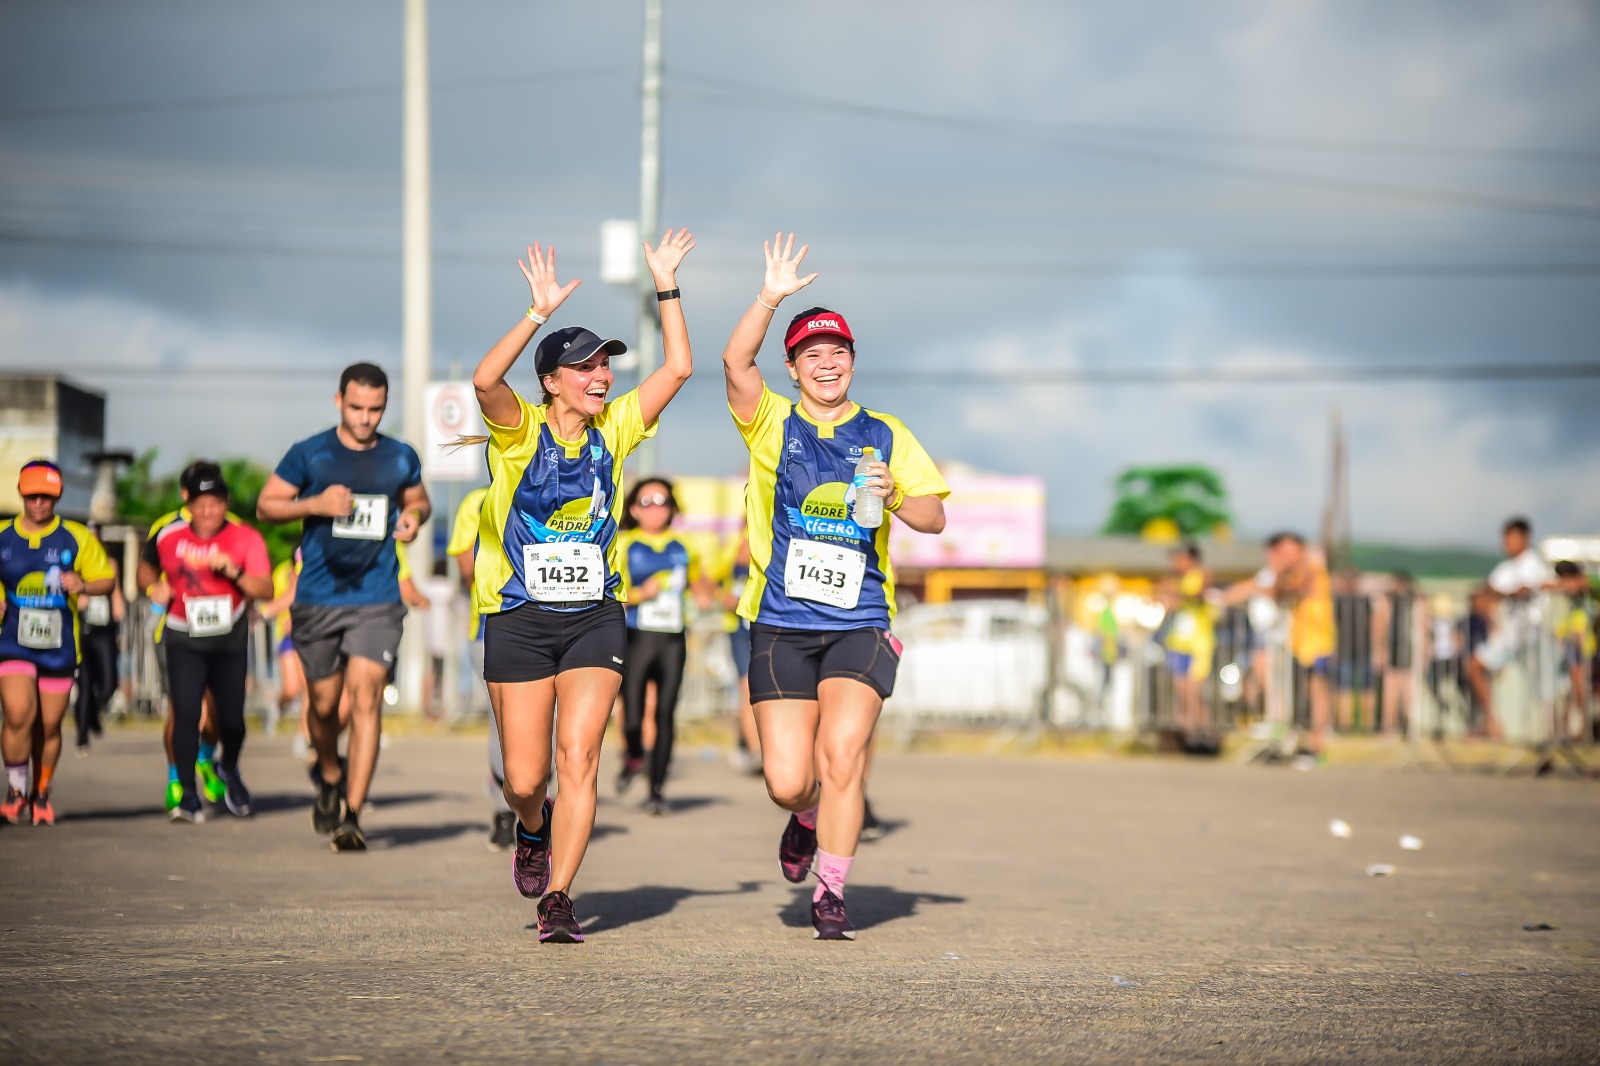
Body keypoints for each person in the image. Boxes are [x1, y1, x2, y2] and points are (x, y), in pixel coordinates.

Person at [463, 230, 696, 942]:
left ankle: (559, 896)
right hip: (520, 616)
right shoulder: (518, 431)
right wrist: (535, 313)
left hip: (595, 616)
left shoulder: (618, 429)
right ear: (552, 379)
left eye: (606, 365)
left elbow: (680, 367)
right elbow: (482, 382)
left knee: (581, 756)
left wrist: (666, 286)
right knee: (526, 780)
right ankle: (530, 831)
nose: (603, 375)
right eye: (587, 365)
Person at [722, 233, 948, 940]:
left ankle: (830, 891)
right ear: (792, 368)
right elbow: (733, 360)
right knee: (789, 780)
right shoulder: (770, 425)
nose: (828, 363)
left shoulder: (884, 432)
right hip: (782, 622)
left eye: (839, 352)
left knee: (843, 756)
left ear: (853, 363)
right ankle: (806, 816)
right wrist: (769, 297)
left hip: (859, 620)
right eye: (813, 354)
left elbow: (935, 516)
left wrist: (897, 495)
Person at [257, 362, 430, 851]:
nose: (365, 418)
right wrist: (314, 505)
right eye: (356, 407)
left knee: (367, 697)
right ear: (338, 402)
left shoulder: (399, 456)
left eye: (375, 409)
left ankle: (352, 813)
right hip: (317, 597)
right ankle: (329, 774)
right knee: (325, 706)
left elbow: (418, 500)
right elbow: (267, 505)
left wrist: (414, 518)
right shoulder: (309, 454)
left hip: (376, 598)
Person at [136, 462, 272, 822]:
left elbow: (266, 587)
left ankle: (227, 765)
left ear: (226, 502)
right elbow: (145, 569)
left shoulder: (244, 537)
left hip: (229, 637)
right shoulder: (167, 533)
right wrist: (154, 587)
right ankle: (187, 795)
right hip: (183, 635)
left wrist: (235, 572)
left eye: (215, 503)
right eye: (201, 504)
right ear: (188, 502)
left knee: (231, 721)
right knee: (186, 713)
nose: (208, 511)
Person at [0, 460, 116, 825]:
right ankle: (16, 789)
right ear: (21, 493)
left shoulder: (77, 537)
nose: (39, 503)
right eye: (33, 495)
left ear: (58, 496)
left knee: (49, 725)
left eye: (47, 497)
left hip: (60, 646)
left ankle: (42, 791)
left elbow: (106, 579)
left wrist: (84, 584)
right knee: (19, 714)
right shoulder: (3, 536)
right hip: (12, 643)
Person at [615, 477, 707, 813]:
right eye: (646, 502)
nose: (655, 509)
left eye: (662, 501)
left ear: (672, 507)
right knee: (633, 716)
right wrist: (641, 594)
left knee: (666, 713)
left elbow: (700, 585)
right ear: (633, 510)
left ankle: (656, 790)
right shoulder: (624, 544)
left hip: (672, 638)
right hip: (635, 635)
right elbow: (611, 594)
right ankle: (635, 755)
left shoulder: (685, 545)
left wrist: (707, 597)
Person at [445, 484, 517, 849]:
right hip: (491, 626)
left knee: (552, 727)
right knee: (501, 721)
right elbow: (464, 560)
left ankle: (543, 812)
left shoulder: (565, 484)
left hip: (560, 625)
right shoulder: (476, 501)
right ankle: (504, 809)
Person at [1223, 532, 1334, 764]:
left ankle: (1316, 747)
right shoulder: (1289, 571)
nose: (1287, 558)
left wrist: (1264, 585)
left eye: (1290, 552)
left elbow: (1286, 589)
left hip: (1316, 639)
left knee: (1316, 690)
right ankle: (1291, 739)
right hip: (1298, 640)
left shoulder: (1309, 567)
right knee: (1296, 690)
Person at [1469, 517, 1554, 741]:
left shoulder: (1534, 564)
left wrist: (1500, 593)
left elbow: (1523, 591)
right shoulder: (1505, 568)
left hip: (1533, 635)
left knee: (1543, 689)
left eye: (1511, 537)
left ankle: (1548, 736)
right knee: (1475, 665)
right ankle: (1492, 723)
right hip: (1509, 636)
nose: (1506, 542)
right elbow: (1483, 595)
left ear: (1524, 538)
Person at [1158, 542, 1214, 744]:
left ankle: (1203, 733)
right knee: (1181, 693)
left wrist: (1176, 594)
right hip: (1177, 642)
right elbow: (1164, 602)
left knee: (1194, 693)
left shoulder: (1202, 574)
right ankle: (1185, 733)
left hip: (1198, 643)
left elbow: (1200, 594)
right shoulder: (1171, 579)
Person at [73, 556, 125, 753]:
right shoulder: (76, 562)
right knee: (85, 686)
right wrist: (80, 595)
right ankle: (82, 736)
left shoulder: (110, 563)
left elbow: (116, 590)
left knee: (109, 683)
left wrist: (118, 603)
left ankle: (93, 715)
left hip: (105, 632)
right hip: (83, 632)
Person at [258, 541, 304, 739]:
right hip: (288, 637)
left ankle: (305, 737)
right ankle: (276, 706)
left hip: (312, 633)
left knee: (309, 688)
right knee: (292, 689)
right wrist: (264, 613)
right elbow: (283, 600)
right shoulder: (282, 572)